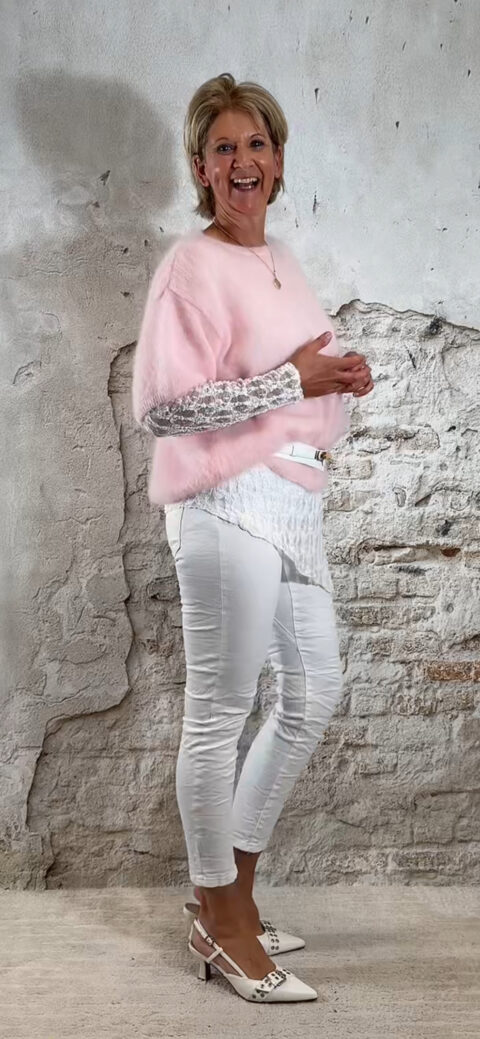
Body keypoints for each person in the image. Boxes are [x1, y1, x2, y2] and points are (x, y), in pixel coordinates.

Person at [131, 72, 373, 1004]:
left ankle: (231, 893)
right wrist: (291, 381)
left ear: (278, 160)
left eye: (256, 144)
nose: (242, 161)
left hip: (292, 500)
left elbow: (298, 374)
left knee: (312, 692)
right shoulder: (187, 268)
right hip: (223, 498)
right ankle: (223, 921)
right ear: (201, 168)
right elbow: (164, 408)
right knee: (221, 710)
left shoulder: (283, 258)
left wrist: (338, 379)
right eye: (223, 147)